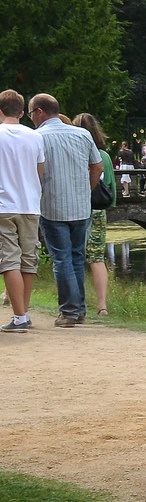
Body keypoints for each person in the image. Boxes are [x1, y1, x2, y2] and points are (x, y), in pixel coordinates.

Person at [29, 94, 101, 327]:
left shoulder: (37, 137)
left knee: (61, 258)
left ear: (40, 112)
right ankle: (79, 310)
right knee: (77, 257)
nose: (31, 119)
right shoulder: (82, 134)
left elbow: (34, 172)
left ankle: (69, 311)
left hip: (52, 206)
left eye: (31, 114)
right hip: (81, 207)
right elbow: (97, 166)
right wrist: (86, 191)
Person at [0, 90, 44, 332]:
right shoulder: (35, 137)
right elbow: (39, 171)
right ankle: (23, 313)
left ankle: (19, 317)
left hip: (4, 205)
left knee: (9, 260)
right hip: (30, 204)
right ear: (21, 112)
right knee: (28, 260)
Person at [71, 113, 116, 317]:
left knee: (74, 256)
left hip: (78, 209)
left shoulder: (76, 152)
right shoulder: (104, 156)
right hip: (98, 210)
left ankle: (75, 302)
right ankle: (102, 305)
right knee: (97, 258)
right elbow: (112, 187)